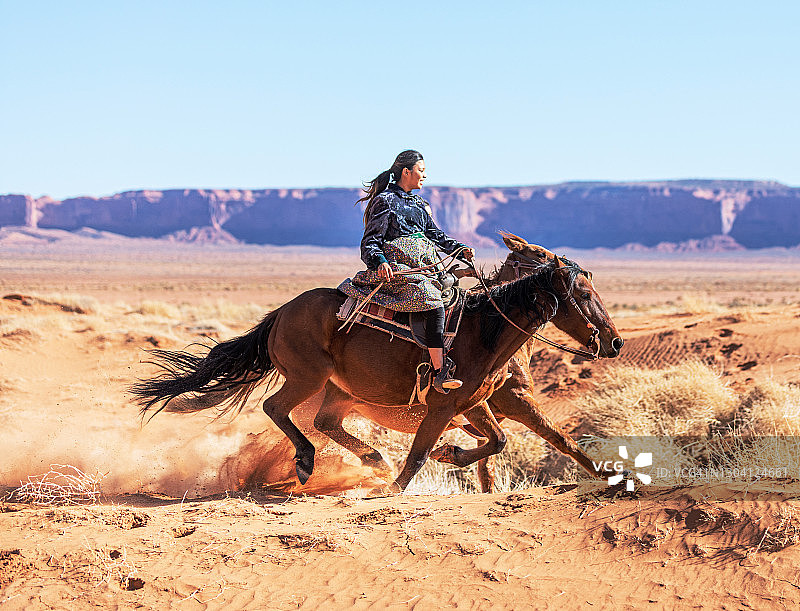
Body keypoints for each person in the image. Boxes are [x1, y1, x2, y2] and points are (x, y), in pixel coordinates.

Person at [344, 150, 475, 393]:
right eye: (421, 170)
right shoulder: (385, 201)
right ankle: (439, 371)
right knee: (432, 301)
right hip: (398, 270)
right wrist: (380, 261)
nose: (425, 175)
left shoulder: (420, 204)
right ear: (406, 172)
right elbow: (370, 241)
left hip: (427, 266)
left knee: (456, 295)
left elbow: (436, 235)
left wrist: (459, 248)